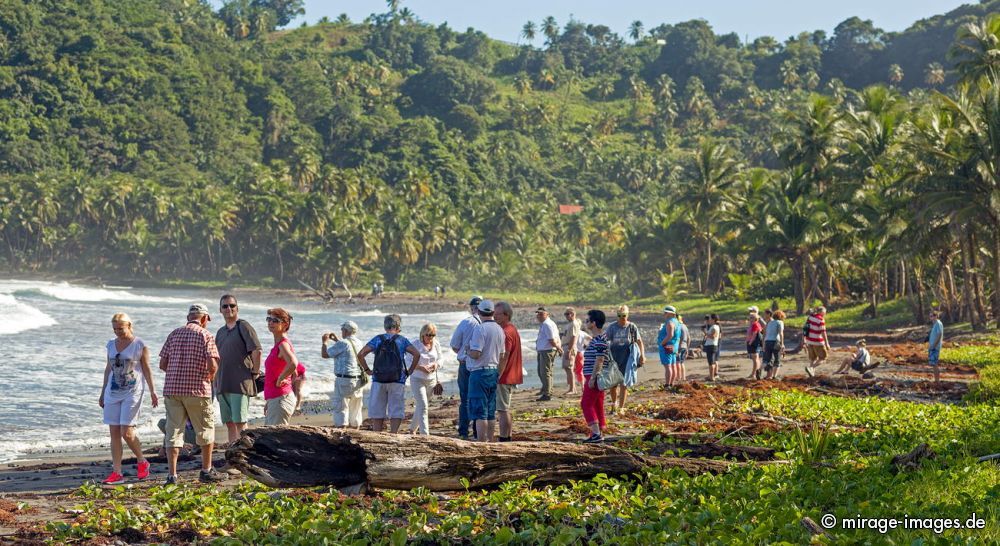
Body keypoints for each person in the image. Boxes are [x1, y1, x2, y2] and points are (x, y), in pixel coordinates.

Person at [159, 303, 224, 484]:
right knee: (205, 430)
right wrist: (208, 377)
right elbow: (212, 364)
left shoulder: (174, 334)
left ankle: (172, 475)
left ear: (189, 317)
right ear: (203, 319)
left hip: (172, 390)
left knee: (173, 432)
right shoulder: (205, 335)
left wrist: (176, 373)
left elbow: (162, 364)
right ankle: (206, 470)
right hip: (197, 390)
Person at [99, 313, 157, 485]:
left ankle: (142, 461)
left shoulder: (140, 345)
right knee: (114, 433)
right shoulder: (110, 344)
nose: (118, 332)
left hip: (132, 392)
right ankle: (117, 472)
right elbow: (108, 369)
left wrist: (153, 391)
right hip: (112, 392)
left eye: (121, 329)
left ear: (129, 325)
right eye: (115, 329)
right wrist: (102, 392)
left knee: (127, 432)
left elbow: (146, 369)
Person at [357, 314, 422, 432]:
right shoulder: (402, 340)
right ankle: (394, 435)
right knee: (396, 409)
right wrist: (410, 370)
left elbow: (361, 354)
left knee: (377, 410)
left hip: (378, 378)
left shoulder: (378, 339)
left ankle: (377, 434)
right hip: (398, 379)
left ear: (385, 326)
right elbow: (417, 354)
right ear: (398, 326)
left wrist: (367, 370)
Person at [214, 295, 262, 446]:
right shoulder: (220, 332)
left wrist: (255, 371)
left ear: (237, 308)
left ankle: (245, 454)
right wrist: (214, 382)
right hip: (222, 383)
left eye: (232, 306)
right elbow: (215, 358)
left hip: (240, 383)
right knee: (229, 423)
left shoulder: (244, 326)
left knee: (240, 422)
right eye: (225, 306)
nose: (229, 309)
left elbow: (257, 350)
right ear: (220, 310)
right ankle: (233, 456)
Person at [466, 300, 505, 442]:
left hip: (479, 372)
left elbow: (476, 353)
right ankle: (490, 440)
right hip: (493, 370)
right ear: (493, 313)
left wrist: (468, 350)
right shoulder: (500, 329)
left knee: (479, 411)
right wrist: (499, 373)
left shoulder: (480, 329)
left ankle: (481, 442)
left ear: (479, 312)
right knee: (490, 411)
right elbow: (502, 355)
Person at [449, 296, 483, 439]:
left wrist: (465, 352)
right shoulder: (490, 324)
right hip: (481, 365)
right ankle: (477, 431)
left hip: (465, 364)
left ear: (471, 308)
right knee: (479, 398)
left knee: (465, 400)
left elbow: (454, 346)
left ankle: (463, 432)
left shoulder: (466, 322)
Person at [322, 321, 365, 428]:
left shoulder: (343, 343)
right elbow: (348, 349)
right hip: (358, 379)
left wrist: (325, 342)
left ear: (345, 331)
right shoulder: (359, 342)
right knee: (356, 408)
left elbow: (325, 355)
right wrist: (336, 340)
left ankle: (341, 432)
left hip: (344, 379)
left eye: (342, 329)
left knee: (340, 407)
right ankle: (356, 431)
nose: (341, 331)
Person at [262, 308, 300, 426]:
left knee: (275, 442)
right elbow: (295, 373)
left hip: (281, 399)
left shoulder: (283, 344)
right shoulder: (279, 345)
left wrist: (280, 379)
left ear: (285, 324)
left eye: (275, 320)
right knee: (268, 439)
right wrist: (270, 401)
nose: (270, 322)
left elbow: (294, 364)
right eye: (269, 319)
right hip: (276, 399)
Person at [605, 305, 645, 414]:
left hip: (627, 358)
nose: (622, 318)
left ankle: (621, 407)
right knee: (613, 384)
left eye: (624, 315)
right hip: (614, 358)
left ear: (627, 315)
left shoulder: (632, 327)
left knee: (624, 383)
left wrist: (642, 356)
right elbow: (605, 340)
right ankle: (614, 403)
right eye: (619, 315)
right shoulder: (612, 327)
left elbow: (639, 342)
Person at [494, 301, 522, 442]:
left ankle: (504, 437)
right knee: (505, 408)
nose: (495, 316)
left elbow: (504, 355)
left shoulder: (506, 331)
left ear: (506, 315)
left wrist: (498, 375)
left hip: (505, 376)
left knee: (502, 409)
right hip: (511, 374)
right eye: (494, 313)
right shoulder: (512, 328)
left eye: (498, 314)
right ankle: (507, 435)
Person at [580, 309, 609, 443]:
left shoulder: (600, 339)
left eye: (587, 321)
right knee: (597, 404)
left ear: (594, 323)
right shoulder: (597, 339)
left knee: (586, 404)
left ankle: (596, 434)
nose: (585, 323)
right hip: (595, 377)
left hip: (595, 377)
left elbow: (600, 360)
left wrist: (593, 378)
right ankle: (598, 433)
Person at [407, 323, 441, 435]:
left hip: (431, 380)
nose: (430, 337)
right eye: (428, 335)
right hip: (417, 379)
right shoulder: (415, 345)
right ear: (422, 334)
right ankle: (425, 435)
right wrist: (421, 367)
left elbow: (441, 359)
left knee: (422, 406)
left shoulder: (436, 344)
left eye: (433, 335)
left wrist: (436, 365)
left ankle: (412, 430)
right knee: (423, 406)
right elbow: (407, 362)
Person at [534, 307, 563, 401]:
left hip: (548, 350)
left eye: (541, 314)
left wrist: (558, 348)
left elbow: (551, 339)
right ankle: (546, 389)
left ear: (547, 314)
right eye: (538, 314)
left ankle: (547, 394)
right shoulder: (546, 324)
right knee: (542, 371)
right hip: (544, 350)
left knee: (545, 372)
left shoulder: (547, 324)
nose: (539, 316)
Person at [657, 306, 682, 387]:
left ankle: (668, 384)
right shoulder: (677, 322)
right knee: (673, 365)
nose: (664, 314)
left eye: (665, 312)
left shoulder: (670, 322)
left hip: (667, 346)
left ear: (670, 313)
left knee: (668, 366)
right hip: (674, 346)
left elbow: (670, 335)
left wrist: (662, 343)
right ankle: (671, 383)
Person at [560, 307, 582, 395]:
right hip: (566, 346)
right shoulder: (570, 324)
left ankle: (572, 389)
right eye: (565, 314)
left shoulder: (574, 324)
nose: (566, 316)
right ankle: (572, 388)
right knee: (567, 367)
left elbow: (574, 337)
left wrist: (569, 350)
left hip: (570, 347)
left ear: (572, 314)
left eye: (567, 314)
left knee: (569, 367)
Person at [804, 306, 831, 377]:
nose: (825, 314)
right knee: (823, 358)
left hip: (809, 341)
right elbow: (823, 332)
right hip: (818, 341)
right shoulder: (821, 319)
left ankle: (812, 374)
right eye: (824, 312)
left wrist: (804, 339)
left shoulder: (810, 317)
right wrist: (827, 343)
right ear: (822, 312)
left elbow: (805, 328)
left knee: (812, 358)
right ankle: (811, 368)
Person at [763, 310, 786, 380]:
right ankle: (774, 376)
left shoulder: (769, 323)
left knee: (769, 359)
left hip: (767, 341)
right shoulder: (780, 322)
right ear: (781, 317)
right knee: (777, 359)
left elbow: (765, 334)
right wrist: (782, 344)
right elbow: (781, 333)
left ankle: (768, 375)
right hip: (775, 341)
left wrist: (763, 344)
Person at [746, 308, 765, 380]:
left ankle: (755, 373)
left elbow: (754, 334)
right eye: (749, 317)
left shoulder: (755, 324)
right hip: (752, 342)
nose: (750, 319)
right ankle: (754, 373)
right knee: (755, 358)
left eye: (751, 318)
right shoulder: (753, 324)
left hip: (754, 343)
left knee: (755, 358)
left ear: (755, 318)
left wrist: (750, 342)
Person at [928, 311, 944, 385]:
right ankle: (936, 380)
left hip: (935, 347)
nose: (931, 318)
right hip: (932, 346)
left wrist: (934, 345)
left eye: (932, 316)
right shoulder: (935, 324)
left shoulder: (938, 323)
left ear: (936, 316)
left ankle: (937, 381)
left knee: (935, 364)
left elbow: (939, 334)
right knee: (934, 364)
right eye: (930, 316)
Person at [704, 314, 721, 381]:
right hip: (712, 345)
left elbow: (713, 336)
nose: (709, 320)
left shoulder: (714, 327)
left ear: (713, 319)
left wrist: (706, 333)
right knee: (712, 361)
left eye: (710, 318)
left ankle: (712, 377)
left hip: (711, 345)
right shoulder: (715, 326)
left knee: (711, 362)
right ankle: (711, 375)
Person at [677, 314, 691, 382]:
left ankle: (679, 377)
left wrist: (677, 347)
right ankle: (683, 377)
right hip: (685, 346)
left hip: (680, 346)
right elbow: (689, 338)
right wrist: (687, 348)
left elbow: (680, 338)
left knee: (677, 362)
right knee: (682, 362)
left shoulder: (678, 327)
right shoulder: (685, 326)